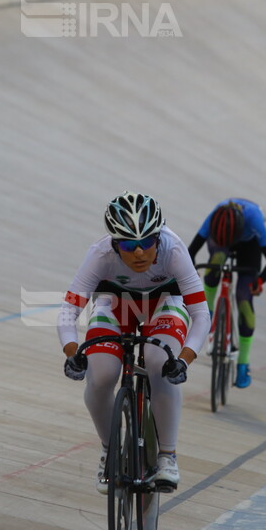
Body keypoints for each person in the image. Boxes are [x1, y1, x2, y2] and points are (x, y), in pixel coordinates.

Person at [58, 192, 209, 494]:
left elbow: (201, 314)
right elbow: (68, 311)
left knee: (158, 362)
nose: (139, 252)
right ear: (115, 243)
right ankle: (108, 449)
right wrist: (73, 353)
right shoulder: (100, 254)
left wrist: (184, 359)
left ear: (158, 238)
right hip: (116, 307)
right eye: (128, 245)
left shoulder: (174, 250)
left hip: (164, 305)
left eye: (148, 242)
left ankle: (167, 455)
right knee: (100, 376)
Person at [187, 198, 266, 389]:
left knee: (244, 300)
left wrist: (259, 281)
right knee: (216, 262)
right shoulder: (214, 217)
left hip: (249, 245)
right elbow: (191, 252)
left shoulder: (254, 220)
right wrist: (191, 270)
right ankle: (207, 310)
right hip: (220, 241)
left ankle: (243, 363)